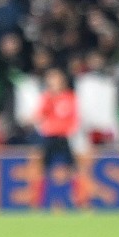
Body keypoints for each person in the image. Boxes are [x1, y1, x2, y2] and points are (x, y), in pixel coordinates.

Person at [33, 67, 79, 207]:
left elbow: (74, 117)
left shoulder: (70, 97)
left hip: (64, 137)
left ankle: (79, 200)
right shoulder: (47, 97)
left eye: (54, 79)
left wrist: (72, 131)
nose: (52, 82)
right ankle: (39, 202)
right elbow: (39, 115)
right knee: (43, 169)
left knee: (72, 169)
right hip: (49, 136)